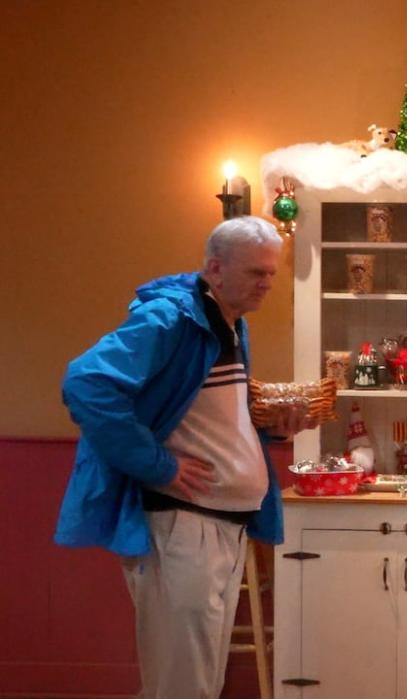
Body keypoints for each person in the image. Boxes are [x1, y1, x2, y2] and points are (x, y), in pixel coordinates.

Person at [55, 216, 316, 698]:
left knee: (201, 680)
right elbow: (85, 384)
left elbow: (201, 415)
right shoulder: (173, 319)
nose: (268, 284)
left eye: (272, 273)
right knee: (180, 681)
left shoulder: (229, 323)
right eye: (257, 273)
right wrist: (161, 466)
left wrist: (268, 430)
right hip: (181, 524)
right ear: (215, 269)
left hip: (223, 524)